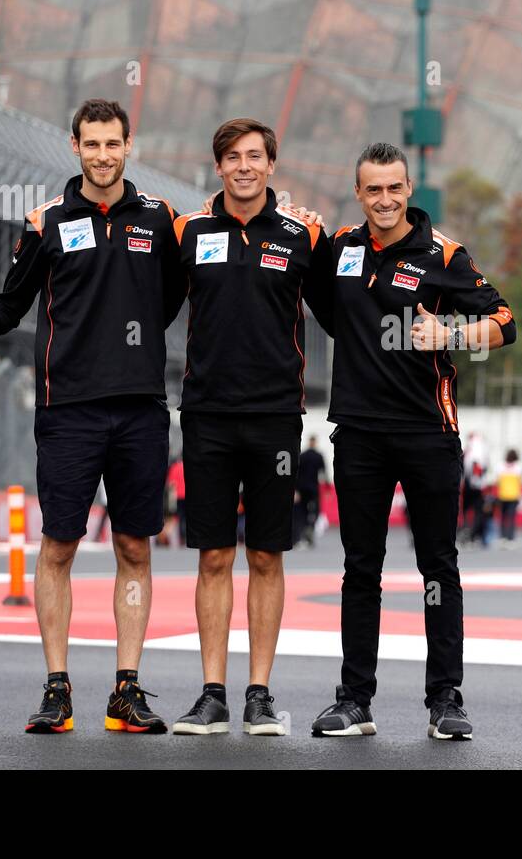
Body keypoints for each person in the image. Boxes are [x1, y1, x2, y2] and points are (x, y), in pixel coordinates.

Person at [0, 98, 184, 734]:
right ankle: (57, 689)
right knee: (59, 544)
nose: (103, 155)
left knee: (134, 546)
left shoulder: (160, 220)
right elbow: (11, 303)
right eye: (92, 144)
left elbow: (171, 296)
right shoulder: (46, 222)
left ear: (128, 145)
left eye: (113, 143)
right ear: (75, 146)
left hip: (141, 409)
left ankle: (127, 690)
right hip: (67, 411)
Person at [310, 142, 516, 741]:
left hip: (429, 433)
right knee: (359, 570)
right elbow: (320, 306)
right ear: (358, 192)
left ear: (408, 190)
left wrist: (450, 329)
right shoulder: (341, 248)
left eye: (394, 188)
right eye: (373, 189)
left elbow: (506, 322)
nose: (384, 199)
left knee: (438, 568)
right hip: (358, 435)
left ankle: (445, 699)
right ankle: (354, 701)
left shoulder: (443, 254)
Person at [169, 118, 332, 737]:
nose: (243, 166)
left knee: (266, 555)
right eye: (232, 157)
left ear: (272, 166)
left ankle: (260, 695)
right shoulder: (187, 231)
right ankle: (212, 694)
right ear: (218, 167)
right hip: (206, 415)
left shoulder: (302, 234)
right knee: (213, 556)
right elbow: (143, 300)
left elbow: (345, 310)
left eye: (255, 157)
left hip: (275, 419)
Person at [293, 435, 329, 549]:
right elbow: (323, 472)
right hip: (313, 488)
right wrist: (327, 487)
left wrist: (296, 489)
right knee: (315, 511)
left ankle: (301, 532)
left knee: (301, 511)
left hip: (302, 488)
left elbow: (296, 473)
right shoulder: (318, 456)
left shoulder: (302, 456)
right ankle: (309, 527)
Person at [495, 449, 522, 550]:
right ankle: (510, 538)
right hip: (513, 496)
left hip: (503, 495)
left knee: (503, 518)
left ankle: (503, 537)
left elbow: (497, 480)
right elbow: (520, 481)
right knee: (511, 518)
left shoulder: (500, 466)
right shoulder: (518, 467)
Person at [165, 455, 186, 547]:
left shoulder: (175, 467)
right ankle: (186, 537)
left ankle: (180, 537)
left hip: (178, 496)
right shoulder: (187, 467)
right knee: (187, 517)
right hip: (188, 495)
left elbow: (171, 483)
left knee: (179, 517)